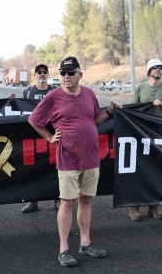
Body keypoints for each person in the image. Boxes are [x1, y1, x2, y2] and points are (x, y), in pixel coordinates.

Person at [28, 57, 121, 268]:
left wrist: (109, 112)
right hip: (68, 157)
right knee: (67, 202)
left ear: (80, 74)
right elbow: (34, 120)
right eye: (62, 73)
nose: (66, 77)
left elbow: (93, 120)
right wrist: (50, 138)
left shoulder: (89, 93)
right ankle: (64, 249)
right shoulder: (53, 96)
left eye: (70, 72)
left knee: (86, 200)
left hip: (91, 156)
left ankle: (85, 244)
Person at [128, 58, 162, 221]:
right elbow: (132, 111)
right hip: (140, 135)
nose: (158, 70)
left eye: (160, 68)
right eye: (155, 68)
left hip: (160, 136)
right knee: (138, 170)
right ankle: (134, 207)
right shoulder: (140, 88)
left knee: (156, 171)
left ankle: (153, 206)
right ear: (149, 71)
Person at [19, 64, 57, 213]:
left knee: (54, 168)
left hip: (52, 133)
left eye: (44, 72)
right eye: (39, 72)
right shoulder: (28, 91)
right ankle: (32, 202)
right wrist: (10, 100)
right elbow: (20, 110)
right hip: (33, 136)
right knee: (33, 169)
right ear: (35, 75)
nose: (42, 74)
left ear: (48, 75)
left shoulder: (54, 91)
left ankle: (57, 199)